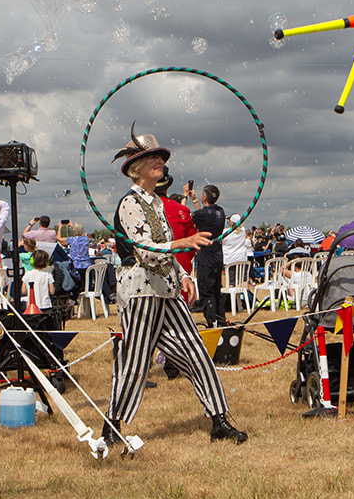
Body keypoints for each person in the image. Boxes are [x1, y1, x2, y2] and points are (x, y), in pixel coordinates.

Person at [104, 131, 247, 446]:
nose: (160, 162)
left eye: (161, 158)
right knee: (135, 359)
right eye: (152, 158)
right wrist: (182, 243)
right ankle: (111, 428)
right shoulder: (129, 203)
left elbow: (165, 249)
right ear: (134, 168)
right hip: (141, 291)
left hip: (167, 289)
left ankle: (219, 421)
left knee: (196, 352)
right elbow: (145, 248)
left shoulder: (158, 203)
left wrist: (184, 274)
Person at [190, 184, 227, 328]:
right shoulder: (220, 211)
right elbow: (204, 216)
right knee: (216, 292)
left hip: (206, 259)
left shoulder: (204, 214)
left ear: (204, 197)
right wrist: (195, 201)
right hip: (217, 258)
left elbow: (194, 218)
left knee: (207, 293)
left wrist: (190, 200)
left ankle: (212, 323)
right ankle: (221, 320)